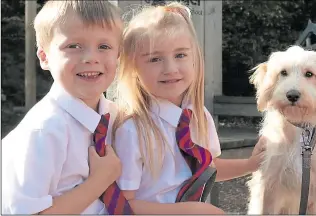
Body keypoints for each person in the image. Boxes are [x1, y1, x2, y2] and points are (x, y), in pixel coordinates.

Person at [111, 2, 264, 214]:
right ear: (134, 67)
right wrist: (189, 211)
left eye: (180, 55)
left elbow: (208, 168)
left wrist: (251, 164)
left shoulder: (198, 116)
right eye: (155, 59)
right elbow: (121, 206)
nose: (170, 69)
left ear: (195, 58)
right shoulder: (133, 129)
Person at [2, 1, 127, 214]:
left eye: (104, 47)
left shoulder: (115, 116)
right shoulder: (43, 131)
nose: (91, 58)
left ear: (118, 55)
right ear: (44, 57)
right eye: (74, 46)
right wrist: (100, 180)